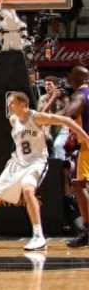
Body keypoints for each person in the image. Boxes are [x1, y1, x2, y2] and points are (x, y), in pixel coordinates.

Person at [0, 91, 89, 251]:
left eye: (12, 103)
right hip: (17, 163)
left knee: (28, 190)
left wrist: (86, 138)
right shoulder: (13, 120)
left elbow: (66, 120)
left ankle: (38, 236)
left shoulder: (36, 117)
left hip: (36, 162)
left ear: (23, 104)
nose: (8, 105)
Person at [58, 66, 89, 248]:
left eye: (70, 75)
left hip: (87, 146)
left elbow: (67, 113)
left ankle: (87, 230)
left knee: (79, 185)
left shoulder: (80, 94)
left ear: (78, 77)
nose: (68, 79)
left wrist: (42, 118)